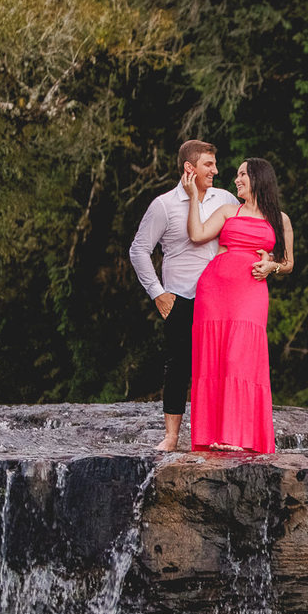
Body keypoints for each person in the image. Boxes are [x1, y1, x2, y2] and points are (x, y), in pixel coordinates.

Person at [130, 140, 239, 451]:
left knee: (222, 367)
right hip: (182, 297)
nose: (215, 170)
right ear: (190, 168)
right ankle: (171, 437)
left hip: (222, 299)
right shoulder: (163, 205)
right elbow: (139, 250)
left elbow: (245, 233)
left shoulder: (226, 199)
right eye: (208, 165)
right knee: (179, 366)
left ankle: (221, 435)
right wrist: (158, 293)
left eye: (214, 164)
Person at [182, 157, 294, 453]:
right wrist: (193, 197)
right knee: (214, 358)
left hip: (251, 291)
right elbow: (197, 234)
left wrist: (271, 267)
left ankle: (240, 436)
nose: (236, 180)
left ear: (258, 178)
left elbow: (288, 263)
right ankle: (212, 435)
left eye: (242, 174)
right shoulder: (229, 211)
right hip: (214, 290)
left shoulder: (280, 219)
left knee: (239, 357)